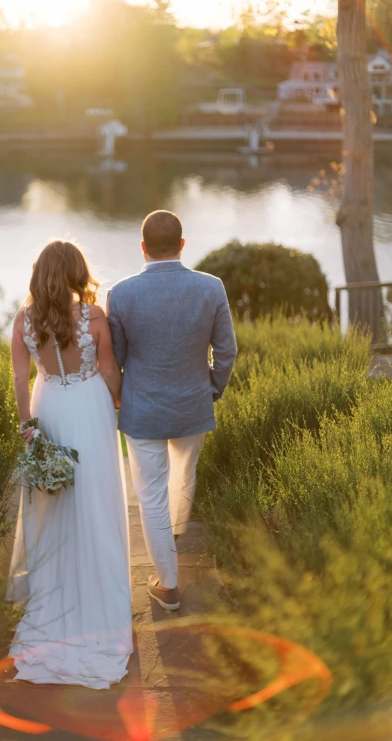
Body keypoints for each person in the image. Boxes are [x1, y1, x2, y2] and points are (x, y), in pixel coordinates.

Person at [7, 240, 132, 690]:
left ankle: (55, 602)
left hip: (51, 406)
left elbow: (20, 378)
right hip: (91, 406)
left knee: (53, 503)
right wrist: (118, 404)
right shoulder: (93, 317)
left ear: (40, 272)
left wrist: (28, 426)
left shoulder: (23, 321)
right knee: (96, 496)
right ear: (78, 271)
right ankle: (99, 603)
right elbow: (110, 369)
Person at [107, 210, 237, 611]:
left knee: (150, 497)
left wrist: (120, 398)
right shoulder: (211, 287)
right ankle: (173, 541)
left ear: (142, 248)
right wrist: (211, 388)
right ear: (182, 245)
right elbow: (227, 351)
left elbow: (116, 359)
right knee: (183, 477)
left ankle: (168, 584)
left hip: (141, 410)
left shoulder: (121, 293)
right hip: (192, 403)